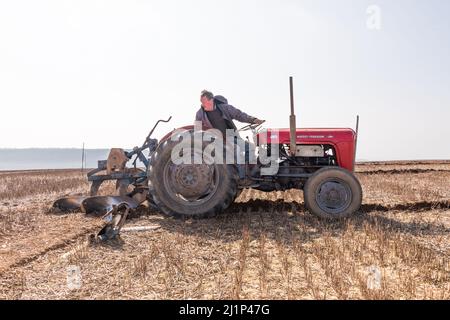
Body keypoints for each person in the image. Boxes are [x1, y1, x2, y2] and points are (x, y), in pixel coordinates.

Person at [195, 90, 265, 164]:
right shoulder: (200, 114)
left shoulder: (225, 108)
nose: (202, 104)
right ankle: (240, 172)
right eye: (201, 102)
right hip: (215, 140)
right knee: (235, 150)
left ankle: (247, 168)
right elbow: (198, 131)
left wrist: (253, 119)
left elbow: (239, 115)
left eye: (204, 102)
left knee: (250, 147)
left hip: (230, 137)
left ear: (211, 100)